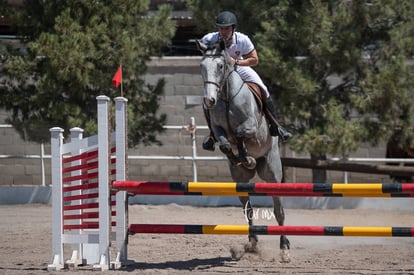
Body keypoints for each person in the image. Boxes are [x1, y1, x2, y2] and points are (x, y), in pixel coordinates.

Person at [200, 11, 292, 151]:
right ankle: (212, 135)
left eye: (227, 28)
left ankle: (276, 126)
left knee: (262, 88)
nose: (223, 31)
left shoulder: (242, 39)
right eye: (221, 28)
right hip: (220, 70)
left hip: (238, 67)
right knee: (206, 100)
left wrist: (235, 61)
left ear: (233, 28)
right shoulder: (210, 38)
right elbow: (204, 52)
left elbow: (255, 59)